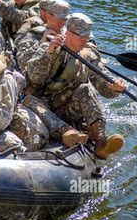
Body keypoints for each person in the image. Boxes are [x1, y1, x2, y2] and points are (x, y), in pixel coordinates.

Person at [26, 13, 126, 159]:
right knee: (28, 100)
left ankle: (100, 141)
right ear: (68, 34)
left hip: (68, 109)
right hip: (44, 108)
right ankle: (66, 133)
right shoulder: (50, 48)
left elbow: (103, 87)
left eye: (86, 37)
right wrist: (48, 53)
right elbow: (35, 77)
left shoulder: (87, 56)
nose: (84, 40)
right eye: (80, 36)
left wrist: (113, 87)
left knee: (86, 88)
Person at [14, 0, 71, 84]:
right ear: (48, 15)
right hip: (36, 83)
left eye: (64, 20)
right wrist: (41, 43)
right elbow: (21, 61)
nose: (61, 23)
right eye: (58, 19)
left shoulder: (67, 34)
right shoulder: (33, 35)